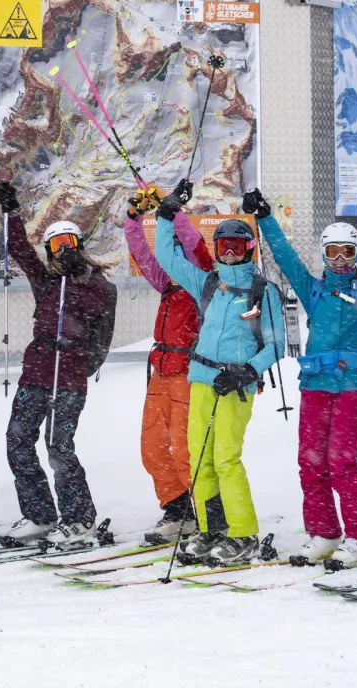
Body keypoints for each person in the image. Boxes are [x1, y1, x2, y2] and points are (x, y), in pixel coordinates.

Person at [243, 188, 357, 567]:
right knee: (310, 461)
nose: (341, 260)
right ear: (325, 256)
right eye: (333, 252)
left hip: (353, 388)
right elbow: (285, 257)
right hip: (315, 386)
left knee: (341, 461)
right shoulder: (314, 291)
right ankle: (324, 533)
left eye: (348, 252)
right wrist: (264, 217)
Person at [152, 181, 284, 566]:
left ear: (249, 249)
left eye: (237, 247)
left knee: (226, 457)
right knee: (199, 458)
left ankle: (243, 533)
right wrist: (167, 214)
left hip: (235, 385)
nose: (229, 253)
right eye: (223, 246)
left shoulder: (262, 291)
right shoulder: (208, 282)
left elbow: (275, 344)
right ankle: (213, 528)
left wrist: (248, 372)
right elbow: (167, 256)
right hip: (202, 379)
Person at [0, 181, 117, 548]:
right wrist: (11, 212)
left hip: (69, 376)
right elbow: (18, 250)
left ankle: (80, 519)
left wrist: (80, 362)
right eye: (56, 246)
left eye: (69, 245)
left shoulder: (97, 286)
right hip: (37, 372)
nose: (63, 252)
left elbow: (102, 332)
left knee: (58, 446)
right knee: (18, 440)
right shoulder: (46, 282)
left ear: (79, 247)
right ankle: (40, 513)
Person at [123, 186, 215, 542]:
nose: (171, 262)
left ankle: (207, 513)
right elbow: (141, 252)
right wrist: (135, 218)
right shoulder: (167, 285)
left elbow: (195, 245)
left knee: (185, 447)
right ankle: (176, 509)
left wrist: (173, 211)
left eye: (178, 253)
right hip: (160, 373)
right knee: (153, 447)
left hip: (188, 374)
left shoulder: (202, 280)